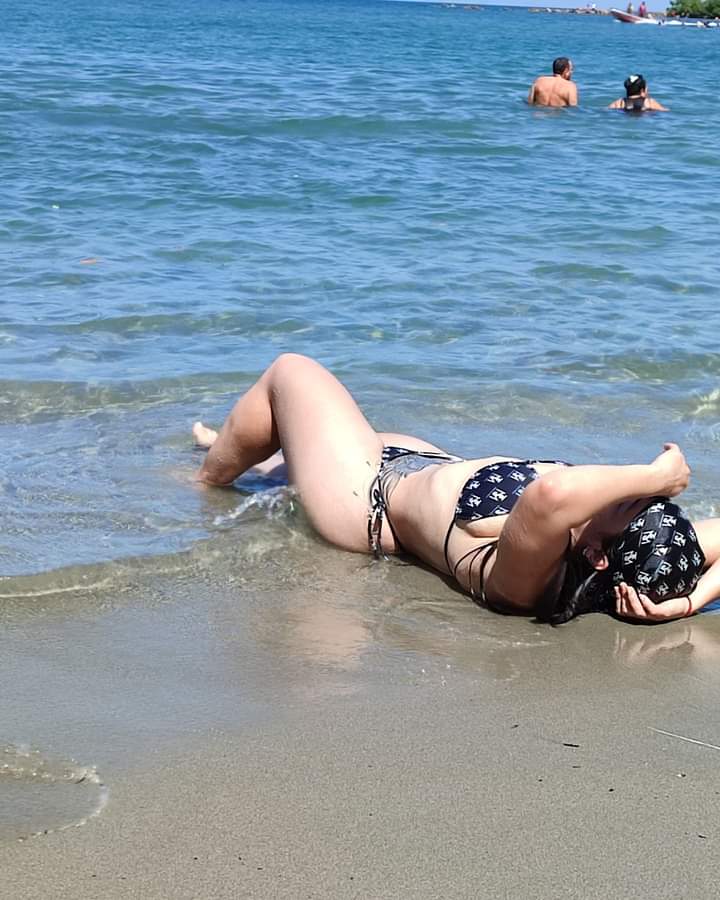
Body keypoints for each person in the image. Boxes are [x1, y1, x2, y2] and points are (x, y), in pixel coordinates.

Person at [193, 354, 720, 624]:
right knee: (288, 440)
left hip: (365, 496)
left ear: (598, 556)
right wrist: (691, 600)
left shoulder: (529, 579)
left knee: (291, 373)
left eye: (632, 503)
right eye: (651, 499)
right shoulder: (637, 544)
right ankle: (246, 450)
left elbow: (550, 496)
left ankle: (202, 482)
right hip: (419, 462)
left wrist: (659, 476)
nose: (632, 494)